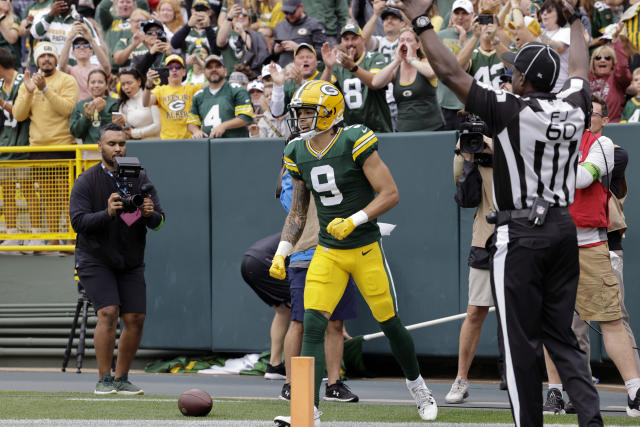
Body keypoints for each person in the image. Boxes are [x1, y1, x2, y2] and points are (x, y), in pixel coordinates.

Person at [394, 0, 604, 424]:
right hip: (563, 228)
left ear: (524, 79)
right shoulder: (575, 106)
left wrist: (420, 23)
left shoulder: (511, 110)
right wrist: (577, 22)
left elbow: (452, 74)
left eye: (514, 71)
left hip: (521, 232)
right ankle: (591, 420)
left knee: (519, 344)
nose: (510, 75)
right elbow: (580, 70)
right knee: (561, 338)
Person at [269, 80, 438, 425]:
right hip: (328, 251)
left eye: (307, 112)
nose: (300, 119)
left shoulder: (354, 139)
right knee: (312, 323)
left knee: (390, 323)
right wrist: (282, 251)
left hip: (364, 248)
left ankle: (418, 386)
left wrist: (354, 220)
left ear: (329, 113)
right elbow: (299, 211)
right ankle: (306, 410)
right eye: (299, 113)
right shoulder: (297, 151)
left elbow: (390, 193)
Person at [541, 96, 640, 418]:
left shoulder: (603, 144)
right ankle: (557, 392)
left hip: (588, 244)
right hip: (551, 245)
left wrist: (545, 167)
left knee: (610, 318)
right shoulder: (543, 143)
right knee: (555, 326)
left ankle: (635, 391)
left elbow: (583, 178)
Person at [69, 122, 164, 396]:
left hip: (130, 259)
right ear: (100, 146)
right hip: (94, 257)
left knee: (135, 317)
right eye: (111, 144)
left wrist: (149, 214)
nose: (117, 148)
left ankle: (122, 378)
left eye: (121, 143)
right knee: (108, 312)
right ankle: (104, 379)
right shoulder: (87, 180)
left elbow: (159, 222)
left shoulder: (140, 179)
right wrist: (107, 213)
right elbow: (78, 222)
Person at [277, 157, 360, 404]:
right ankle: (291, 383)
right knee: (299, 320)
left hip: (338, 252)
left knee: (336, 323)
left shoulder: (341, 160)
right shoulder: (293, 170)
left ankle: (333, 384)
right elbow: (290, 207)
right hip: (305, 252)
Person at [446, 128, 496, 403]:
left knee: (526, 313)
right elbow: (465, 198)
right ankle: (461, 379)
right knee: (475, 310)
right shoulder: (473, 153)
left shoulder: (519, 140)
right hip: (485, 239)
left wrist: (494, 146)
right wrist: (466, 156)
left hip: (523, 238)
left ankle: (551, 387)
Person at [13, 41, 79, 242]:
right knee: (49, 198)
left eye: (50, 56)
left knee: (69, 197)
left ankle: (70, 236)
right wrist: (30, 91)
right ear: (37, 61)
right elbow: (18, 115)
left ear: (56, 59)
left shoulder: (67, 80)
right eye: (42, 56)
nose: (46, 59)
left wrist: (45, 90)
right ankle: (52, 237)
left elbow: (67, 109)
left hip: (64, 145)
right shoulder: (28, 83)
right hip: (39, 147)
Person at [320, 23, 392, 133]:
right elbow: (322, 91)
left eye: (354, 38)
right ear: (341, 42)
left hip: (378, 128)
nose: (350, 43)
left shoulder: (375, 57)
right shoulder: (337, 64)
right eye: (346, 39)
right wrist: (328, 68)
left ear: (363, 40)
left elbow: (375, 82)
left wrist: (352, 67)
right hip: (349, 131)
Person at [370, 27, 444, 131]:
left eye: (409, 40)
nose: (404, 44)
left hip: (432, 128)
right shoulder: (396, 69)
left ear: (417, 45)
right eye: (401, 40)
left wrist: (411, 59)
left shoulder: (425, 62)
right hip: (404, 130)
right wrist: (396, 61)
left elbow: (431, 73)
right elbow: (375, 83)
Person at [240, 233, 292, 381]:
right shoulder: (312, 233)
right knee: (305, 307)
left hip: (248, 260)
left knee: (283, 310)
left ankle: (274, 366)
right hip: (264, 261)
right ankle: (303, 367)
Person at [0, 47, 28, 252]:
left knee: (27, 191)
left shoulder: (23, 81)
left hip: (23, 144)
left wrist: (3, 103)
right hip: (5, 144)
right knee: (8, 192)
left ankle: (34, 233)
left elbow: (22, 113)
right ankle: (12, 233)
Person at [187, 54, 254, 138]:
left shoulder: (237, 90)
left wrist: (223, 126)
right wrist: (196, 131)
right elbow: (191, 121)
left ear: (225, 71)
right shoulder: (198, 95)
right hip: (209, 147)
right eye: (209, 67)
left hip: (235, 146)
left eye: (218, 66)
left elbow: (245, 118)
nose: (214, 70)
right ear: (204, 73)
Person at [143, 54, 204, 140]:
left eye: (178, 67)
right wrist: (148, 85)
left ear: (184, 72)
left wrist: (199, 62)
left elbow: (213, 82)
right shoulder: (160, 90)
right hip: (168, 141)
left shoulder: (191, 88)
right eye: (170, 68)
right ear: (166, 72)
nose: (174, 70)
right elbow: (146, 103)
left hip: (190, 139)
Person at [436, 0, 474, 130]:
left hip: (470, 104)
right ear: (451, 15)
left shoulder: (478, 37)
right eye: (456, 13)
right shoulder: (440, 36)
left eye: (465, 13)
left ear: (472, 15)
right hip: (444, 102)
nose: (460, 17)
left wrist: (464, 39)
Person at [59, 27, 112, 101]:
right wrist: (69, 39)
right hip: (79, 108)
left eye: (85, 45)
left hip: (98, 106)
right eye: (77, 46)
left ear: (91, 52)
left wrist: (91, 40)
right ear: (73, 53)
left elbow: (106, 65)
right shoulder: (70, 70)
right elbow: (61, 66)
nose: (81, 47)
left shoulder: (98, 69)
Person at [269, 43, 321, 117]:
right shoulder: (289, 84)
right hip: (297, 127)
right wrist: (278, 86)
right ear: (294, 62)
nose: (305, 60)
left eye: (309, 57)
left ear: (316, 61)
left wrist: (301, 84)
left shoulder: (325, 77)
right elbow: (276, 113)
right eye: (301, 57)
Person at [217, 3, 270, 75]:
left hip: (251, 77)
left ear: (249, 19)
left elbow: (254, 49)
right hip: (231, 77)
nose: (241, 16)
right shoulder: (227, 34)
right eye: (237, 15)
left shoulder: (257, 35)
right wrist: (229, 17)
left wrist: (242, 32)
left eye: (244, 15)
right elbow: (220, 42)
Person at [70, 69, 119, 144]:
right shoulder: (80, 105)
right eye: (93, 82)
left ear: (106, 85)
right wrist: (87, 116)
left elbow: (117, 127)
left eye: (100, 82)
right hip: (88, 149)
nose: (96, 85)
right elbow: (75, 132)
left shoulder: (114, 103)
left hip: (110, 148)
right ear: (88, 85)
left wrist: (101, 111)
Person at [95, 0, 149, 67]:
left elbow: (143, 3)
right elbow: (103, 8)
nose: (125, 4)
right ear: (116, 5)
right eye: (122, 2)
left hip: (135, 62)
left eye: (128, 2)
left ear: (134, 5)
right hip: (113, 65)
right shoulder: (110, 21)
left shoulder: (137, 21)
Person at [273, 0, 326, 67]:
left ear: (301, 7)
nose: (289, 15)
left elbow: (322, 53)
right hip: (284, 71)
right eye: (286, 12)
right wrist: (275, 51)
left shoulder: (315, 24)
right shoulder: (279, 26)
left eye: (292, 12)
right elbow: (273, 56)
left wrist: (299, 48)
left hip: (306, 72)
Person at [113, 66, 161, 139]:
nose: (126, 87)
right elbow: (126, 134)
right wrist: (121, 125)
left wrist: (134, 133)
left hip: (157, 144)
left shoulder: (151, 96)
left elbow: (158, 126)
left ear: (139, 81)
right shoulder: (123, 105)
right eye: (123, 84)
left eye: (129, 83)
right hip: (135, 146)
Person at [589, 40, 631, 123]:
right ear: (593, 62)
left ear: (613, 63)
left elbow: (622, 66)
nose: (602, 60)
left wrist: (617, 40)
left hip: (612, 127)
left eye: (607, 58)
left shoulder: (617, 79)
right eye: (598, 58)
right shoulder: (587, 78)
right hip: (590, 129)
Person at [538, 0, 570, 92]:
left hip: (560, 87)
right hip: (541, 87)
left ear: (559, 14)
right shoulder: (540, 33)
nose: (544, 13)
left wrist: (538, 33)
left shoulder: (566, 31)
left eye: (549, 11)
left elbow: (557, 48)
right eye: (542, 11)